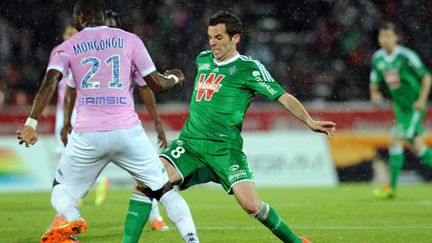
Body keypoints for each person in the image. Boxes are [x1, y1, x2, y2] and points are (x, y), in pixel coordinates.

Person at [123, 10, 336, 243]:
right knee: (146, 184)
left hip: (226, 150)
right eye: (210, 37)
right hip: (190, 145)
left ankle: (295, 241)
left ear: (236, 38)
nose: (212, 42)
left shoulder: (249, 69)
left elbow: (282, 97)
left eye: (219, 37)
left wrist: (309, 121)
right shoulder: (202, 59)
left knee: (252, 205)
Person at [16, 0, 199, 242]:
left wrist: (32, 122)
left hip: (88, 133)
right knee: (164, 189)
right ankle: (191, 239)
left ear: (81, 17)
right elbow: (155, 84)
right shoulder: (130, 39)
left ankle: (74, 219)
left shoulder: (67, 46)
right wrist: (175, 78)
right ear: (103, 16)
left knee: (61, 188)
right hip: (127, 130)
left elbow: (51, 81)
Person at [60, 9, 170, 231]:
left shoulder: (124, 47)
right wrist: (66, 121)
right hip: (100, 125)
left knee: (142, 176)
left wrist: (157, 121)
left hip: (117, 123)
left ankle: (155, 216)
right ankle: (64, 218)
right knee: (72, 180)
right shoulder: (91, 48)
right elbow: (70, 89)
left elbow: (145, 88)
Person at [370, 22, 432, 198]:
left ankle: (391, 187)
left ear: (396, 38)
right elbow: (374, 80)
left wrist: (421, 100)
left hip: (414, 106)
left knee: (394, 139)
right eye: (382, 36)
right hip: (400, 108)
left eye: (389, 36)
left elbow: (426, 77)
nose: (385, 39)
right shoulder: (378, 58)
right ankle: (391, 187)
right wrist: (374, 94)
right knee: (418, 147)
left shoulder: (406, 56)